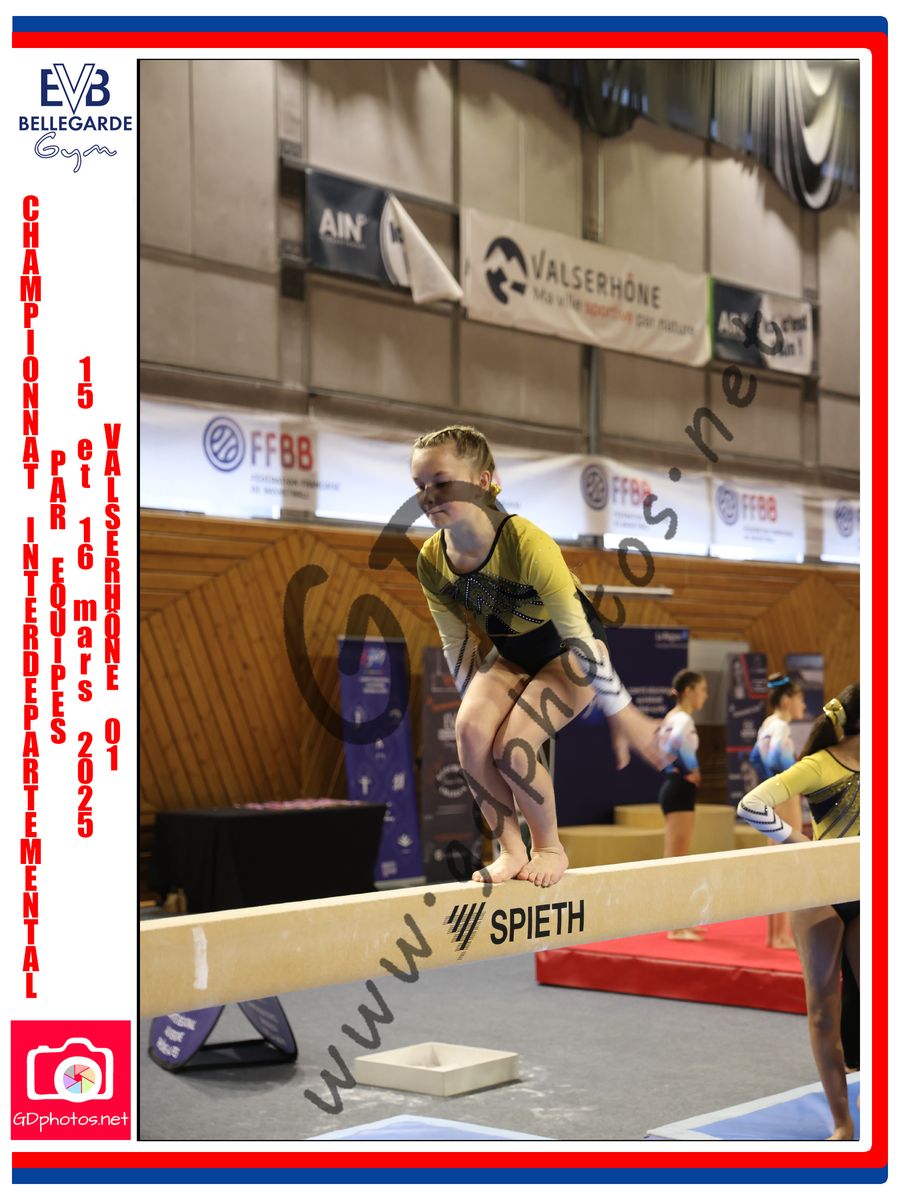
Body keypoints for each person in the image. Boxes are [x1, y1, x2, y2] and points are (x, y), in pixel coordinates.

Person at [413, 424, 665, 888]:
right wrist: (480, 711)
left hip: (571, 650)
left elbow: (576, 631)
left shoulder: (524, 542)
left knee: (514, 746)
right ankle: (510, 848)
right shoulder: (432, 560)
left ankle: (549, 847)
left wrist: (623, 711)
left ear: (483, 481)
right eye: (420, 485)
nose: (428, 496)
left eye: (441, 482)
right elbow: (458, 644)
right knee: (469, 731)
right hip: (513, 654)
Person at [736, 683, 860, 1141]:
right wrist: (800, 842)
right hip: (819, 892)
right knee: (823, 1012)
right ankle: (843, 1122)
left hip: (865, 890)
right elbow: (751, 805)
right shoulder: (818, 765)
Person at [749, 673, 806, 950]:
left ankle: (775, 934)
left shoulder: (767, 724)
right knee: (786, 863)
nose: (803, 705)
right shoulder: (781, 726)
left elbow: (754, 758)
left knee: (776, 863)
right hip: (784, 798)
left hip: (772, 797)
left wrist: (769, 785)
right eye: (800, 699)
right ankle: (780, 935)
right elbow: (773, 759)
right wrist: (790, 780)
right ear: (786, 701)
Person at [657, 669, 709, 940]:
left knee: (679, 858)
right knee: (677, 860)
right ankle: (676, 926)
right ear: (688, 691)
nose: (705, 696)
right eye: (702, 690)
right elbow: (673, 746)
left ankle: (680, 920)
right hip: (679, 789)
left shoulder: (672, 716)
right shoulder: (683, 719)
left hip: (675, 788)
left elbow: (665, 747)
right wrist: (690, 770)